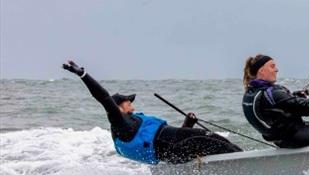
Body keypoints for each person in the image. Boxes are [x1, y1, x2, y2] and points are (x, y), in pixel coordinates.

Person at [63, 60, 242, 164]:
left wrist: (188, 123)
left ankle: (238, 163)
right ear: (118, 107)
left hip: (170, 153)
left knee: (210, 145)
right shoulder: (120, 123)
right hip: (170, 146)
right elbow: (103, 97)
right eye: (127, 102)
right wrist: (83, 75)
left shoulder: (128, 125)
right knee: (214, 140)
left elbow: (171, 145)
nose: (131, 104)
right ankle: (244, 161)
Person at [241, 54, 309, 148]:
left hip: (280, 139)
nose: (276, 69)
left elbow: (279, 106)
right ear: (262, 70)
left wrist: (296, 96)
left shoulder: (250, 92)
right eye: (272, 66)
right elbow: (306, 109)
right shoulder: (271, 92)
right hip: (294, 135)